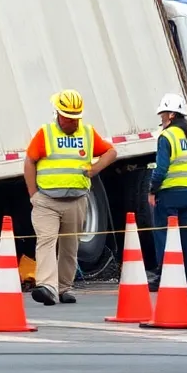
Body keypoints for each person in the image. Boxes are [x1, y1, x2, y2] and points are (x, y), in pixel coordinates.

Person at [23, 89, 117, 306]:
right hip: (46, 200)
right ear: (57, 113)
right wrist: (33, 195)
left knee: (70, 246)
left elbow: (111, 152)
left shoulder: (86, 132)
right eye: (68, 117)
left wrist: (95, 169)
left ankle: (65, 287)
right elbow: (29, 162)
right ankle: (47, 286)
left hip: (76, 200)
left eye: (76, 117)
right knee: (46, 241)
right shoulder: (45, 134)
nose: (72, 122)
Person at [148, 93, 187, 294]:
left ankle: (164, 277)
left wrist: (152, 189)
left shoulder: (167, 137)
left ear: (172, 114)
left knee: (164, 236)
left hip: (170, 194)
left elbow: (161, 168)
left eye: (163, 114)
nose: (161, 118)